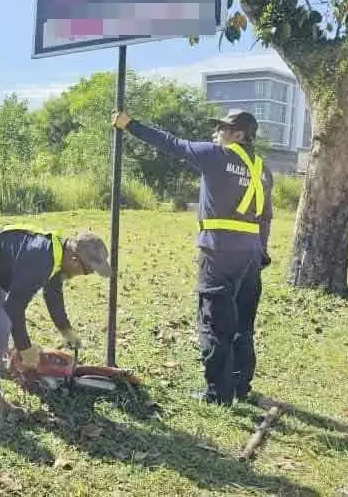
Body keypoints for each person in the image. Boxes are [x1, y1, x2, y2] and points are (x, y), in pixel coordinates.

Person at [112, 108, 273, 406]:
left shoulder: (215, 155)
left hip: (218, 252)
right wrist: (261, 251)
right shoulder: (263, 170)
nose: (216, 133)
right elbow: (265, 217)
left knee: (214, 323)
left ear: (239, 135)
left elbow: (171, 143)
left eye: (222, 129)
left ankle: (218, 394)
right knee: (243, 323)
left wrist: (130, 124)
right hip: (250, 253)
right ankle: (240, 386)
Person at [0, 224, 113, 414]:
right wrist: (25, 348)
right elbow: (14, 308)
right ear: (75, 260)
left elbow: (53, 294)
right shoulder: (40, 259)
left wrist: (66, 330)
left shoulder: (57, 255)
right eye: (87, 271)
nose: (84, 275)